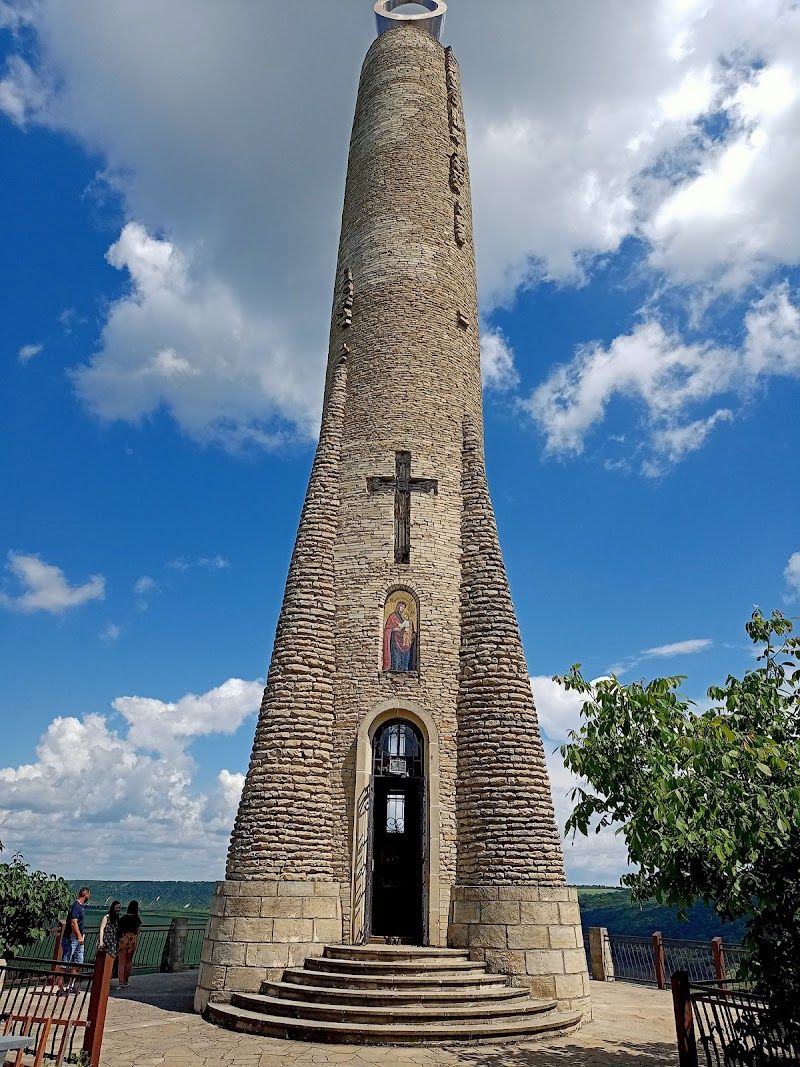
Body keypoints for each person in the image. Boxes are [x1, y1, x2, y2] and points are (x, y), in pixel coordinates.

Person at [61, 886, 90, 994]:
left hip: (79, 938)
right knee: (65, 962)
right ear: (86, 894)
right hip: (71, 938)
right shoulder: (76, 906)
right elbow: (73, 922)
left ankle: (71, 986)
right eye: (89, 894)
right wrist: (79, 937)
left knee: (78, 963)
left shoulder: (81, 907)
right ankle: (60, 988)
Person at [383, 599, 417, 672]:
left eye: (403, 607)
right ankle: (395, 668)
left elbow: (409, 627)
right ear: (397, 606)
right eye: (400, 606)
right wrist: (396, 629)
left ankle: (405, 668)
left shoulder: (404, 617)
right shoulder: (392, 616)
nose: (401, 608)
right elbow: (388, 628)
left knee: (406, 655)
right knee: (396, 655)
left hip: (405, 640)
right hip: (395, 639)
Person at [116, 901, 142, 989]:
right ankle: (126, 981)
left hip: (123, 940)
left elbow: (118, 930)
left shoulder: (122, 919)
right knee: (129, 961)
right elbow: (138, 931)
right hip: (132, 941)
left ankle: (120, 983)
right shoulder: (137, 919)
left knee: (121, 962)